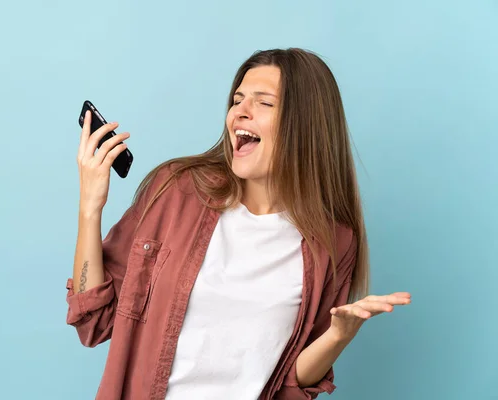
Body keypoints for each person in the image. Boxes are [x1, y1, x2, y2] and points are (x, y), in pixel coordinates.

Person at [65, 48, 411, 400]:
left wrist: (338, 336)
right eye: (238, 100)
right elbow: (94, 321)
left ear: (305, 124)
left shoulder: (333, 242)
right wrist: (90, 208)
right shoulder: (177, 191)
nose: (240, 113)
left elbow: (291, 386)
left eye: (264, 103)